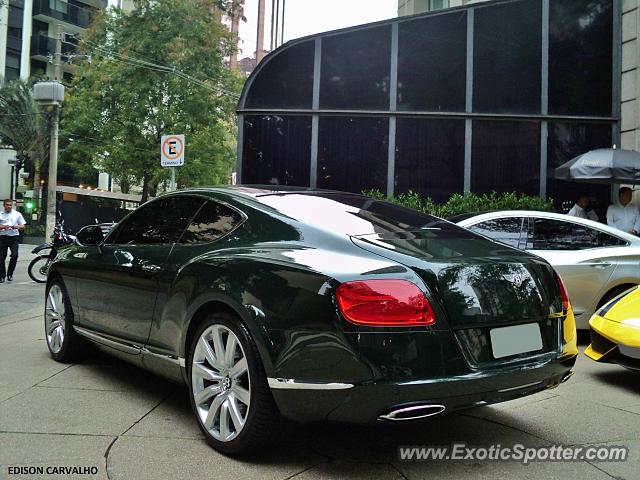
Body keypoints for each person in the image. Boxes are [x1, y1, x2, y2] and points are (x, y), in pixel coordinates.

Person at [0, 199, 27, 283]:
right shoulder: (0, 214)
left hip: (14, 237)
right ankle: (2, 276)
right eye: (7, 205)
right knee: (1, 258)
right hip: (3, 237)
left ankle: (10, 274)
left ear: (12, 206)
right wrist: (3, 226)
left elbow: (23, 226)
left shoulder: (17, 214)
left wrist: (17, 227)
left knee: (15, 255)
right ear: (4, 206)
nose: (9, 206)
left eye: (10, 205)